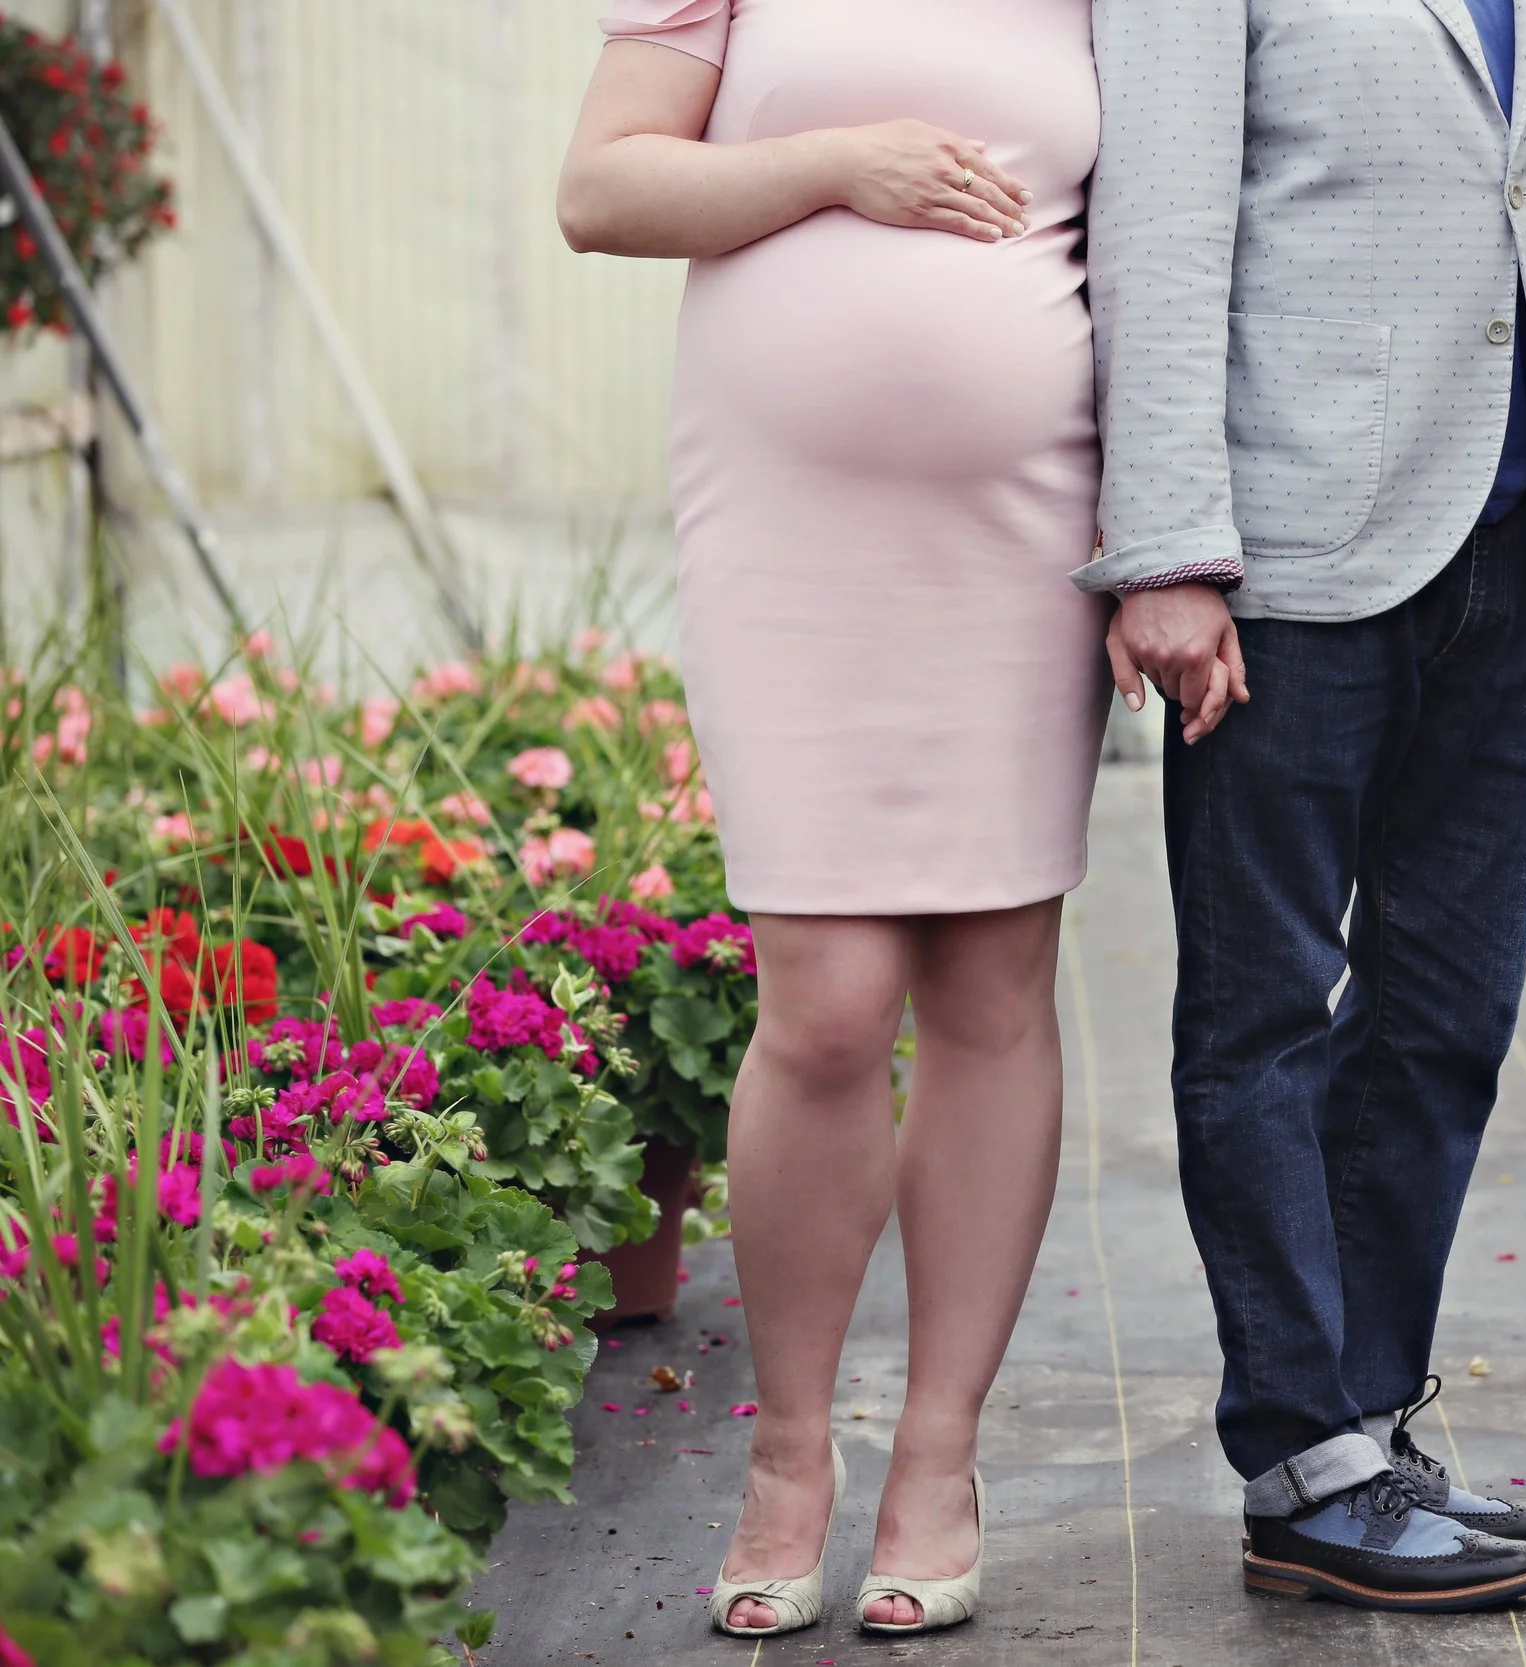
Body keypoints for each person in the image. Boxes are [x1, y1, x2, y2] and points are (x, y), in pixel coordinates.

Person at [1080, 0, 1526, 1615]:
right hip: (1283, 553)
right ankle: (1301, 1456)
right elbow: (1158, 225)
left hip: (1518, 536)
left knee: (1447, 1013)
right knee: (1265, 1010)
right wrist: (1166, 549)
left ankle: (1362, 1427)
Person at [558, 0, 1104, 1639]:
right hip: (787, 522)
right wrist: (833, 167)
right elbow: (603, 191)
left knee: (994, 989)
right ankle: (789, 1456)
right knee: (826, 998)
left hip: (1024, 526)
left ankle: (937, 1460)